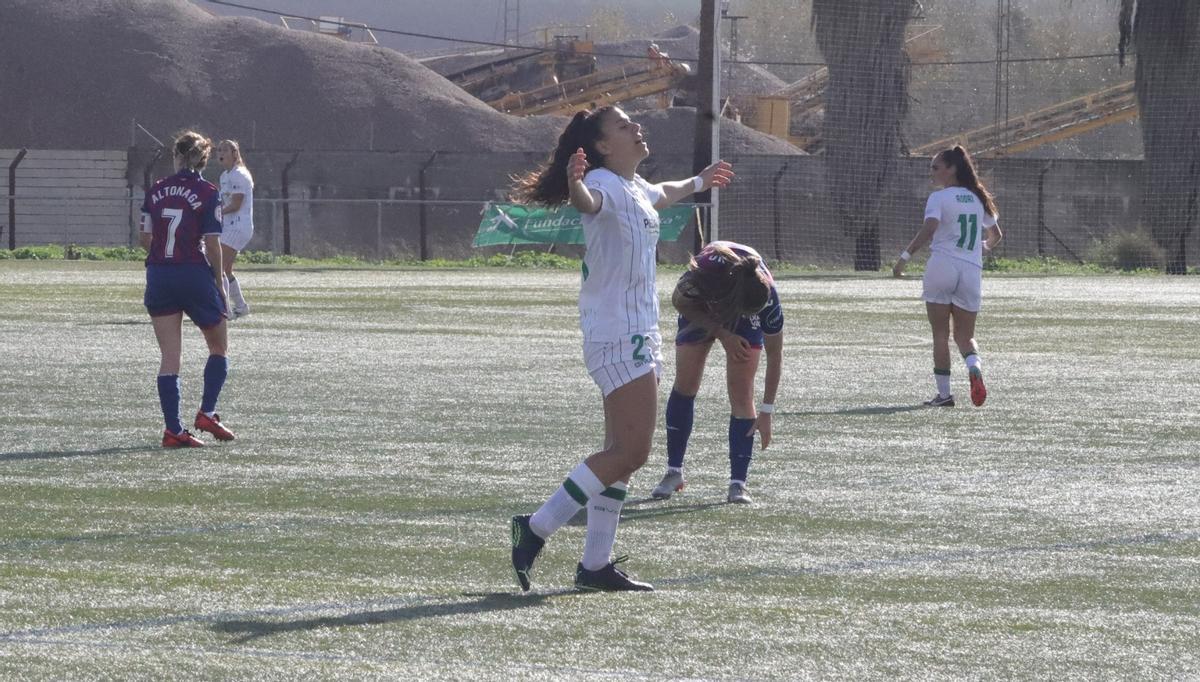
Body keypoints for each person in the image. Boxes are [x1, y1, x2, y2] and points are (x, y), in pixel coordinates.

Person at [508, 106, 733, 592]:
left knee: (620, 452)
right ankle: (537, 527)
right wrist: (575, 182)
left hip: (638, 331)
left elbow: (664, 192)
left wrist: (700, 180)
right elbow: (586, 203)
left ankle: (594, 566)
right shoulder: (606, 185)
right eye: (624, 125)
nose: (636, 128)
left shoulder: (634, 186)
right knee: (632, 451)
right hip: (615, 331)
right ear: (605, 147)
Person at [649, 241, 783, 505]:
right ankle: (673, 472)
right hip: (704, 306)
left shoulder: (767, 297)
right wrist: (722, 333)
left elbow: (775, 354)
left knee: (742, 395)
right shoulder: (705, 273)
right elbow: (679, 301)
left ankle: (738, 484)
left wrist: (767, 410)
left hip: (739, 300)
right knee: (685, 384)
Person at [140, 131, 236, 447]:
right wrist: (220, 281)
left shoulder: (155, 190)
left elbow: (145, 239)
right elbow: (212, 242)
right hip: (192, 273)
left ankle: (173, 431)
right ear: (204, 160)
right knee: (219, 346)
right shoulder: (207, 192)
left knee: (170, 358)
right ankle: (207, 412)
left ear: (176, 155)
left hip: (159, 275)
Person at [893, 144, 1002, 408]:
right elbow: (996, 235)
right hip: (971, 271)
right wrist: (981, 248)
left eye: (936, 167)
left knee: (940, 335)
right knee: (965, 337)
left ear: (951, 169)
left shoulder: (939, 198)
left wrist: (904, 258)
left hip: (942, 267)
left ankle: (944, 396)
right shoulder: (978, 197)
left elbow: (929, 228)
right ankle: (974, 367)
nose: (932, 172)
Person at [216, 139, 254, 319]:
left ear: (234, 153)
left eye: (225, 150)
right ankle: (241, 306)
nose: (220, 153)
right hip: (230, 225)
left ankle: (225, 310)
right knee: (226, 269)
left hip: (238, 225)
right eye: (219, 150)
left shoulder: (239, 174)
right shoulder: (225, 176)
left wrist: (217, 213)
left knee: (217, 267)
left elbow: (237, 204)